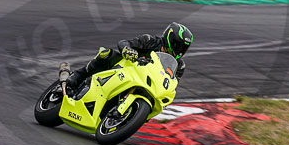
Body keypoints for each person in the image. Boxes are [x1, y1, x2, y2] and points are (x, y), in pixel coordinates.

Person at [64, 23, 193, 94]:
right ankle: (78, 76)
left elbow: (172, 84)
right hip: (126, 69)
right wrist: (128, 50)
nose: (180, 50)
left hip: (147, 84)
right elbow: (124, 42)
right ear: (170, 39)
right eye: (178, 45)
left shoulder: (179, 66)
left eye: (184, 48)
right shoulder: (150, 41)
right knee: (107, 54)